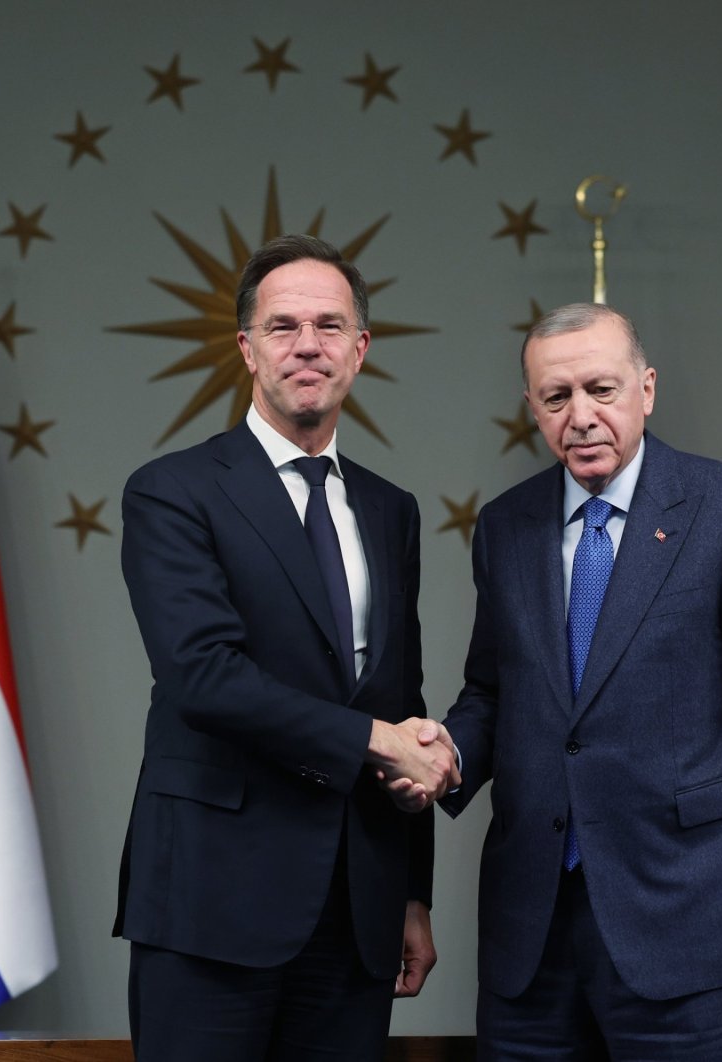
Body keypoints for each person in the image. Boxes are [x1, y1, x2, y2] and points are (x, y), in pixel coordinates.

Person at [431, 302, 722, 1060]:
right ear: (534, 409)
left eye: (600, 390)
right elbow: (492, 692)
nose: (580, 416)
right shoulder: (507, 526)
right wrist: (443, 758)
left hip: (683, 922)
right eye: (556, 397)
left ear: (646, 388)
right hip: (531, 936)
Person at [114, 234, 458, 1062]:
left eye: (331, 325)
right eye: (284, 326)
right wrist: (377, 743)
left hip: (356, 910)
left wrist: (412, 893)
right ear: (247, 348)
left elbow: (399, 697)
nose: (309, 344)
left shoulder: (391, 510)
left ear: (360, 349)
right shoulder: (171, 492)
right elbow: (203, 676)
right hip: (211, 904)